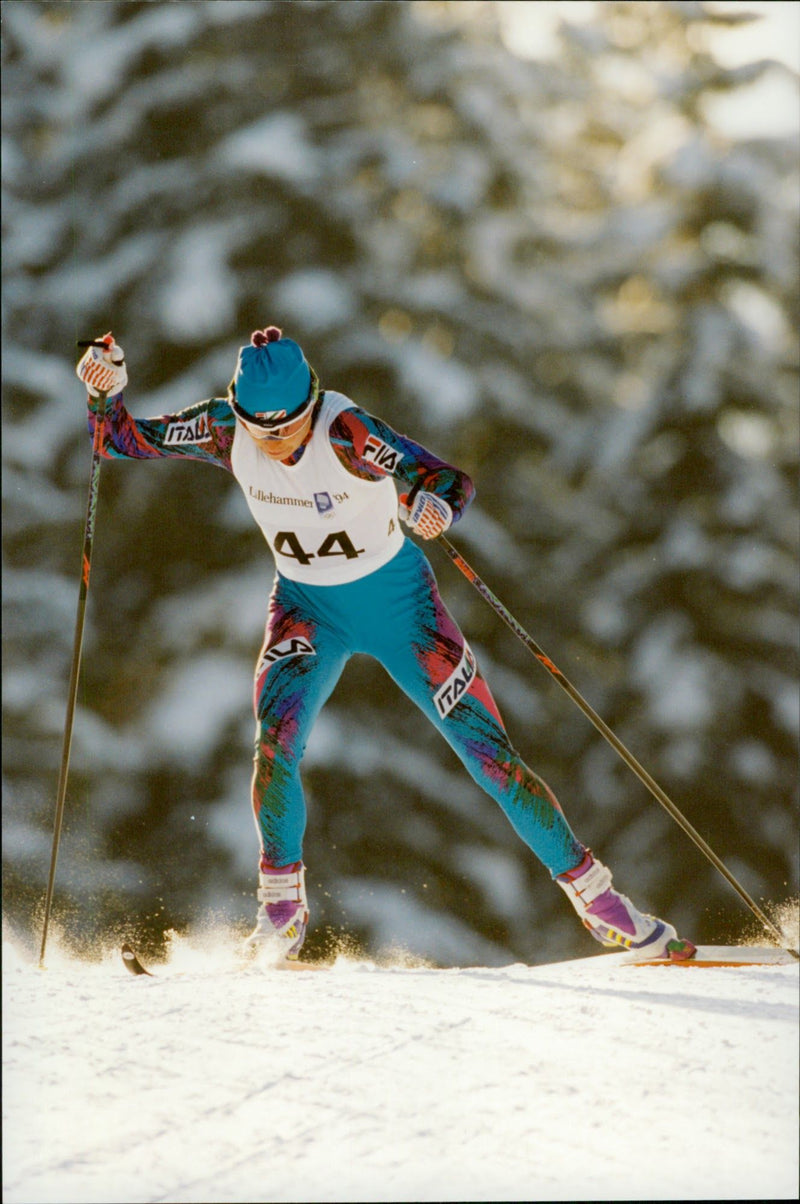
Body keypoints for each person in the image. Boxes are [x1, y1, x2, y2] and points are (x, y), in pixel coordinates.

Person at [76, 328, 695, 964]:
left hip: (402, 609)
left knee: (491, 758)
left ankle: (602, 906)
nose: (276, 443)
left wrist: (435, 508)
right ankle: (281, 917)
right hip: (306, 609)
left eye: (286, 428)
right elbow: (118, 439)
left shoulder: (347, 434)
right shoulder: (227, 430)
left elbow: (448, 481)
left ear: (311, 405)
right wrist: (107, 390)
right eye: (261, 431)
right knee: (274, 744)